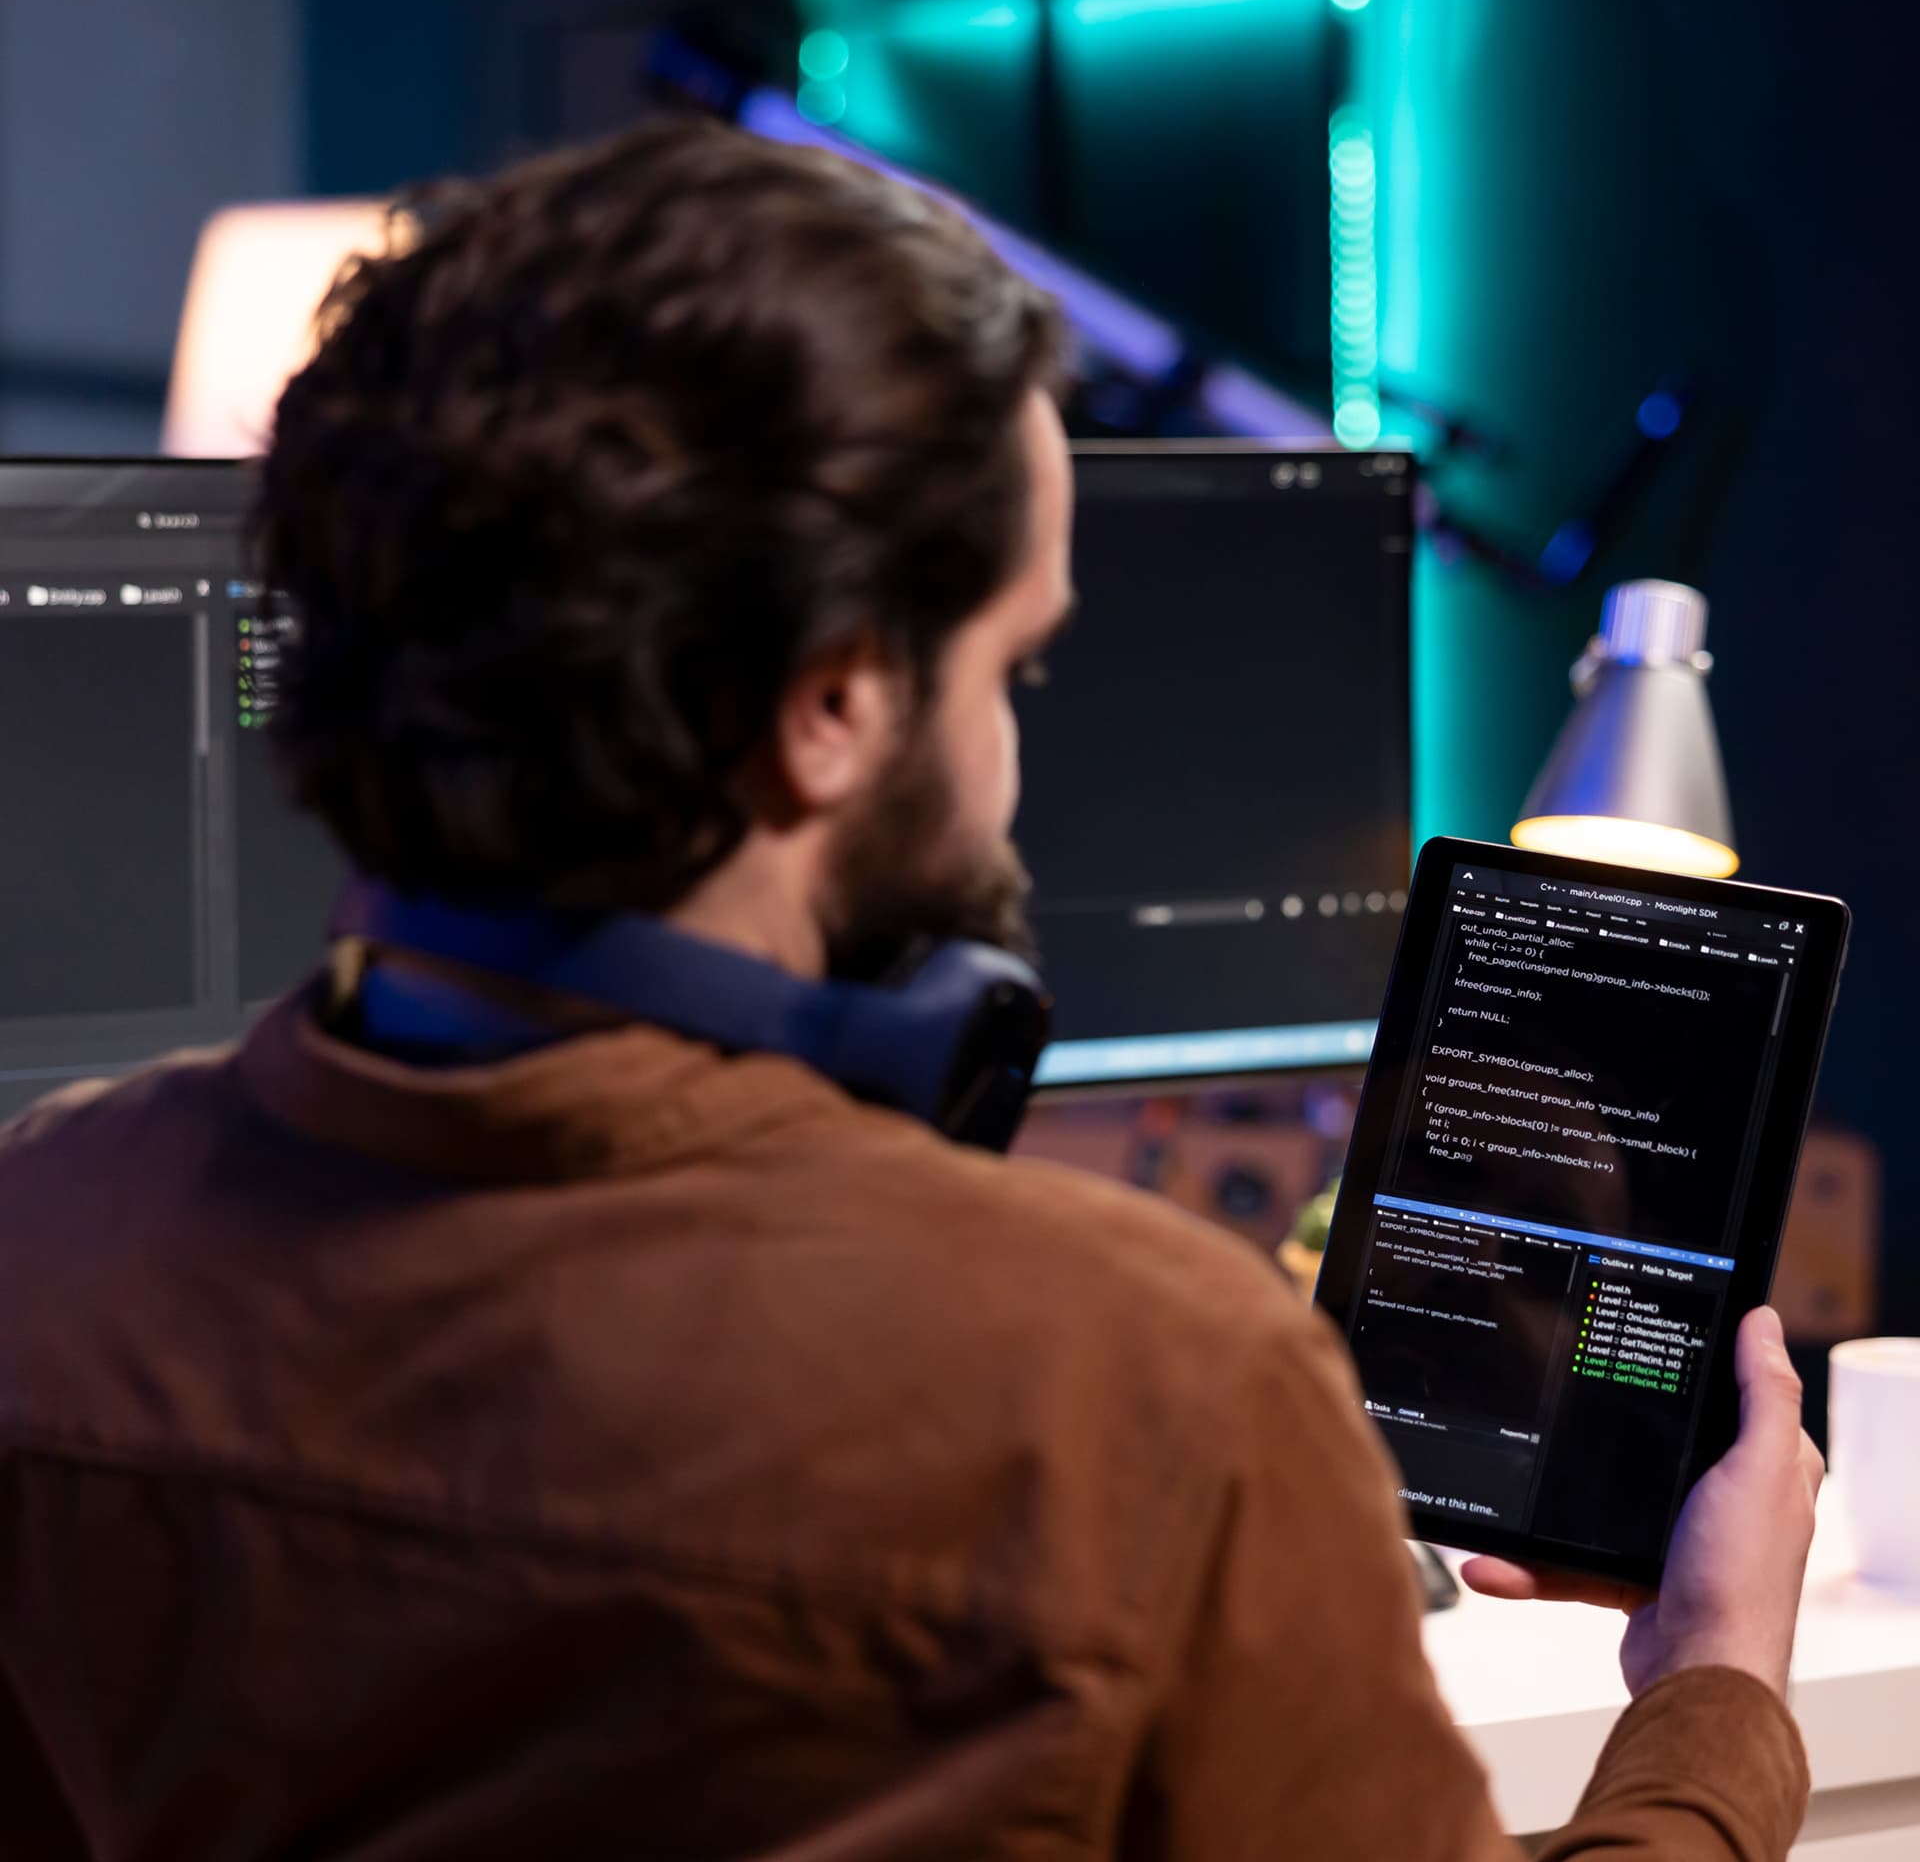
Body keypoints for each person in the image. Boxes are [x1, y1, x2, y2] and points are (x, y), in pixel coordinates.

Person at [0, 119, 1822, 1860]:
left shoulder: (49, 1246)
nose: (1017, 754)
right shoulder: (1135, 1396)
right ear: (835, 710)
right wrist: (1717, 1681)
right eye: (1012, 672)